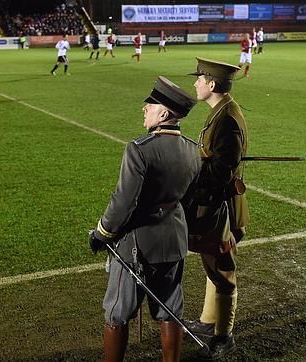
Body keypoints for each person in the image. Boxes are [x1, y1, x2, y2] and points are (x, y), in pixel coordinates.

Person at [88, 76, 200, 362]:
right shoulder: (192, 149)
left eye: (149, 105)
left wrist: (103, 233)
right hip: (174, 238)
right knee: (170, 309)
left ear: (164, 114)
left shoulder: (139, 148)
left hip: (137, 244)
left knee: (117, 313)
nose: (144, 108)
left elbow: (124, 202)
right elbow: (188, 200)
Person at [184, 57, 249, 361]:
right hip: (215, 205)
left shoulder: (227, 119)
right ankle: (209, 322)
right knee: (212, 263)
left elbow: (223, 170)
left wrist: (193, 176)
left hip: (220, 207)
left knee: (223, 270)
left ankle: (224, 336)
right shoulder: (220, 112)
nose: (195, 83)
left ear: (211, 84)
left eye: (199, 79)